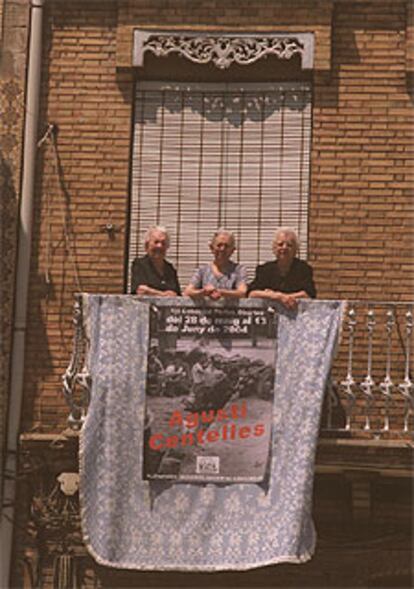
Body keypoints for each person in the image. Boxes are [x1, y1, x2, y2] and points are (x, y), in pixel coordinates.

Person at [248, 227, 316, 310]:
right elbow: (252, 293)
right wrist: (278, 296)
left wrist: (281, 297)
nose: (284, 248)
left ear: (295, 250)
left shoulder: (303, 269)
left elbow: (308, 294)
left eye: (289, 245)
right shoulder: (264, 269)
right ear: (274, 248)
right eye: (280, 244)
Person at [184, 229, 247, 300]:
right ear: (211, 248)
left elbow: (242, 292)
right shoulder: (202, 270)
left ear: (233, 250)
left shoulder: (239, 270)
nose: (222, 249)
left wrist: (221, 292)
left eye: (226, 246)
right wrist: (203, 292)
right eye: (219, 245)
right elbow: (187, 292)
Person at [130, 225, 181, 296]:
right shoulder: (139, 265)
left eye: (163, 243)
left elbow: (177, 295)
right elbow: (141, 290)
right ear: (147, 245)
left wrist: (151, 291)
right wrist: (163, 294)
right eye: (156, 242)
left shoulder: (170, 269)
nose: (159, 246)